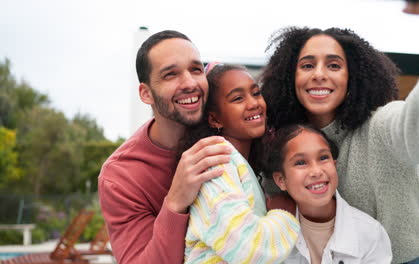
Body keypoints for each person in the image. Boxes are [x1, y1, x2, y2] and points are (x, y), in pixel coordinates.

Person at [260, 1, 419, 263]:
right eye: (307, 65)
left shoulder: (380, 127)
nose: (320, 75)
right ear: (291, 78)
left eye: (334, 65)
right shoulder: (282, 145)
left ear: (352, 78)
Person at [98, 30, 232, 264]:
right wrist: (175, 201)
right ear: (146, 93)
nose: (190, 83)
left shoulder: (227, 126)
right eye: (171, 75)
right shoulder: (120, 177)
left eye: (196, 69)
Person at [179, 63, 299, 264]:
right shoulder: (215, 164)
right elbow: (248, 249)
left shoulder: (240, 162)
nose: (253, 103)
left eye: (256, 93)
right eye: (238, 98)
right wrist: (284, 212)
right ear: (215, 119)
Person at [263, 123, 392, 264]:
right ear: (281, 180)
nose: (316, 171)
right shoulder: (271, 234)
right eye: (301, 162)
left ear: (334, 165)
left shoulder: (370, 233)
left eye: (323, 158)